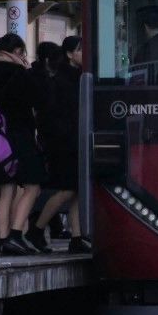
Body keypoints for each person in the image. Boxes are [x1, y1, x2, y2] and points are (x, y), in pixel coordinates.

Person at [0, 33, 42, 255]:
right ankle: (15, 234)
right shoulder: (17, 72)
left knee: (7, 189)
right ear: (18, 52)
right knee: (32, 185)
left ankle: (4, 240)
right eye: (23, 53)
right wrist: (27, 70)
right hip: (19, 135)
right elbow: (34, 98)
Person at [33, 36, 88, 254]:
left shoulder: (77, 77)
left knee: (77, 191)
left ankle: (77, 236)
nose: (85, 53)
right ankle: (36, 229)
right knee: (67, 189)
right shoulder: (63, 80)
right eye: (80, 49)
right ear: (69, 54)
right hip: (65, 143)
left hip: (74, 141)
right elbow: (54, 115)